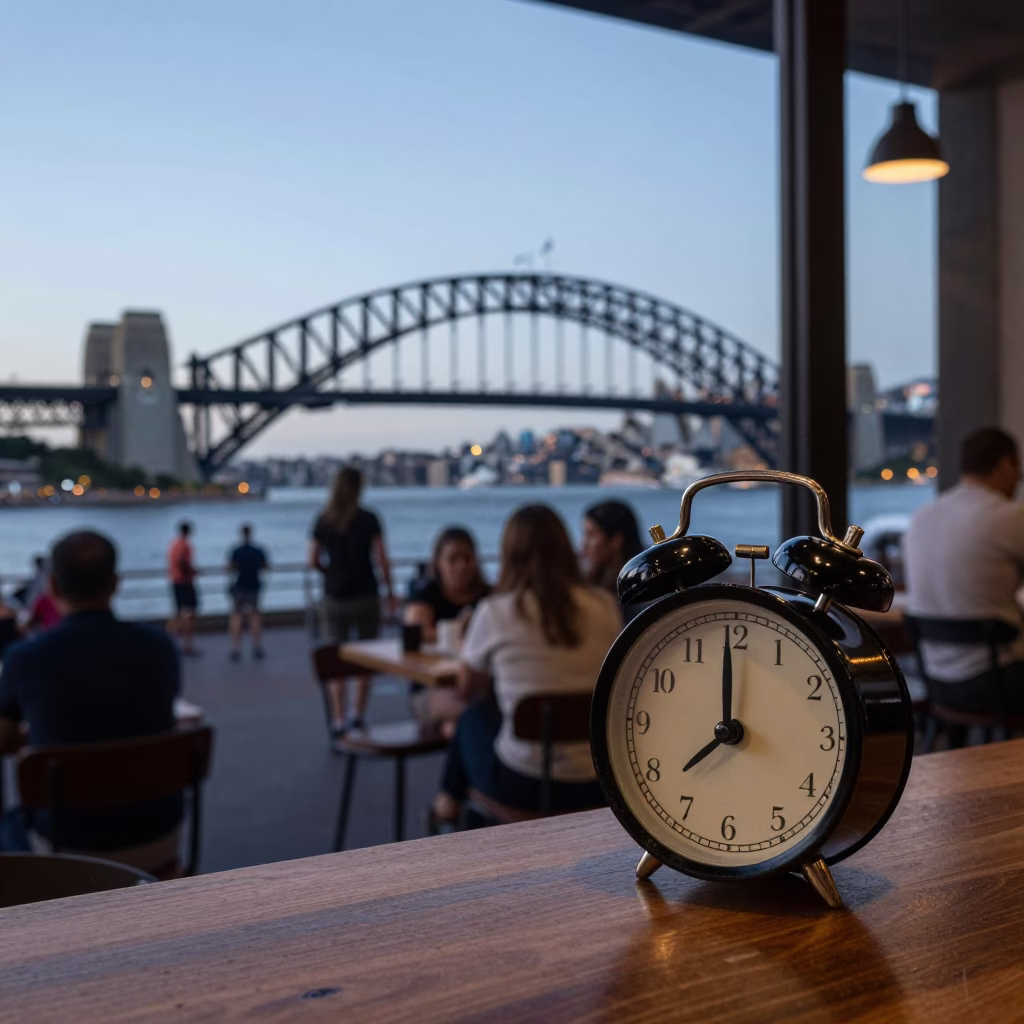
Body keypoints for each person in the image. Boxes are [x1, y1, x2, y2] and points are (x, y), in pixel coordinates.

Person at [0, 531, 182, 871]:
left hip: (66, 843)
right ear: (116, 584)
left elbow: (4, 739)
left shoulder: (27, 659)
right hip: (159, 833)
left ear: (52, 587)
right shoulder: (159, 648)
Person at [431, 504, 622, 825]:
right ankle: (447, 805)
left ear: (510, 554)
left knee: (470, 718)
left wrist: (468, 647)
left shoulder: (496, 611)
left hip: (525, 783)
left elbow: (466, 687)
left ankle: (447, 805)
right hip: (599, 780)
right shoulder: (604, 605)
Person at [904, 427, 1024, 714]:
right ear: (1006, 464)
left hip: (935, 680)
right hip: (998, 682)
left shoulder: (922, 517)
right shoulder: (1010, 516)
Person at [309, 466, 396, 735]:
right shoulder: (370, 519)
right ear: (359, 488)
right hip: (366, 595)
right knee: (367, 657)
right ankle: (357, 714)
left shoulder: (323, 520)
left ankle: (337, 719)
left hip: (334, 597)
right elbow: (382, 559)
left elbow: (312, 560)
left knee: (336, 660)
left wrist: (330, 573)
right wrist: (390, 592)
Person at [403, 527, 490, 734]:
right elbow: (416, 630)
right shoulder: (426, 595)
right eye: (453, 559)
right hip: (431, 688)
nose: (461, 566)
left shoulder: (488, 597)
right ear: (438, 564)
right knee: (473, 717)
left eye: (467, 558)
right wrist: (460, 630)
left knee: (454, 728)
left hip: (478, 684)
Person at [581, 500, 644, 610]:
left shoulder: (637, 590)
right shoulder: (591, 582)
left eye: (591, 535)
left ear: (616, 540)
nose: (584, 545)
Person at [227, 523, 269, 662]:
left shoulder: (236, 551)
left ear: (241, 534)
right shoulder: (258, 550)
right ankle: (256, 647)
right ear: (251, 533)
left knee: (237, 616)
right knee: (255, 616)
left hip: (239, 586)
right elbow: (265, 566)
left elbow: (230, 568)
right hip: (254, 586)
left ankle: (236, 648)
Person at [168, 520, 200, 656]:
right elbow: (182, 561)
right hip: (184, 581)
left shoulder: (173, 545)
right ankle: (187, 645)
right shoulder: (185, 546)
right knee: (189, 613)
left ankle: (169, 642)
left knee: (178, 612)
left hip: (175, 580)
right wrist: (191, 572)